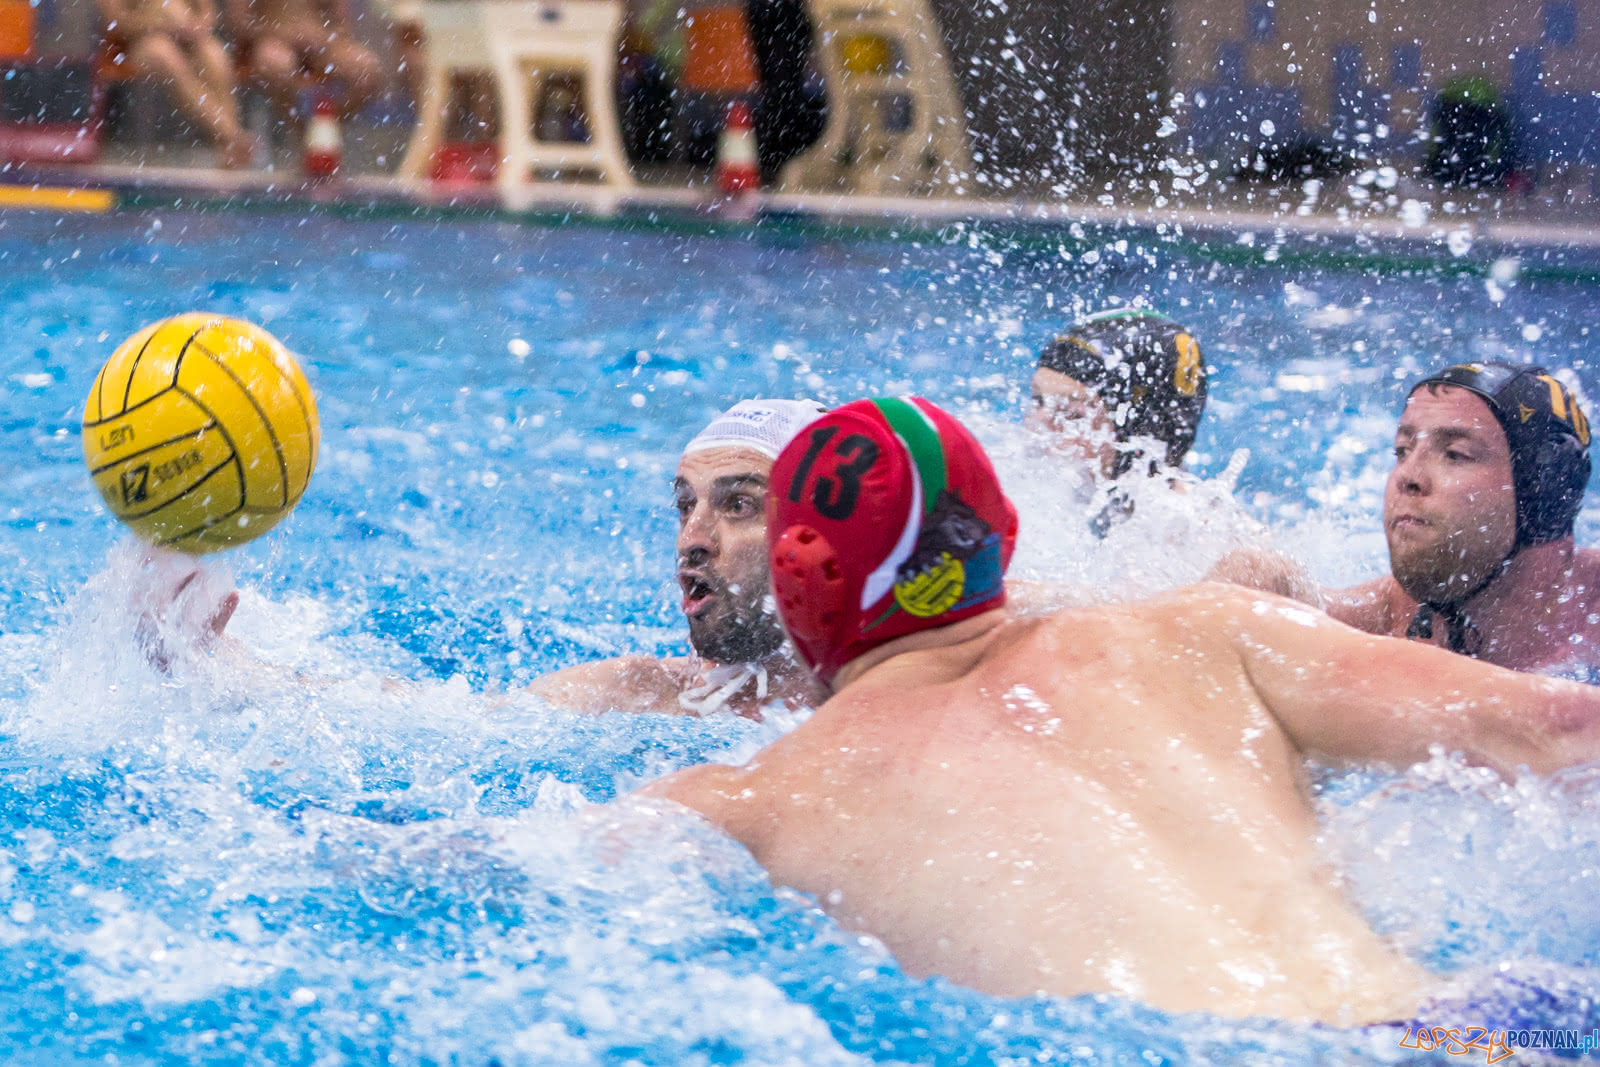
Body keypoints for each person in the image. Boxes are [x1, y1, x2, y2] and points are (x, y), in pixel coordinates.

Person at [639, 396, 1600, 1023]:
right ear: (997, 538)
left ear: (801, 579)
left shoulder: (746, 802)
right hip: (1455, 1027)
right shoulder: (1205, 629)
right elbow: (1563, 728)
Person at [1217, 361, 1600, 677]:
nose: (1407, 477)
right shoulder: (1382, 621)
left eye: (1455, 454)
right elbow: (1278, 597)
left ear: (1541, 490)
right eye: (1402, 451)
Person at [525, 399, 829, 719]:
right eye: (686, 505)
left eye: (739, 505)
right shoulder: (609, 701)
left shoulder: (874, 726)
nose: (689, 541)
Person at [1026, 309, 1208, 537]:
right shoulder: (1052, 497)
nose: (1038, 425)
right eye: (1038, 400)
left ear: (1139, 437)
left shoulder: (1195, 536)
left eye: (1072, 415)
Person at [96, 0, 254, 167]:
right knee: (164, 56)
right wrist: (158, 25)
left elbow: (208, 14)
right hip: (141, 41)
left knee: (214, 55)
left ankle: (228, 148)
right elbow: (116, 21)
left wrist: (194, 28)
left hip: (189, 37)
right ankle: (230, 135)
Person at [225, 0, 383, 128]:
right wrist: (280, 31)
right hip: (271, 40)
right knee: (276, 64)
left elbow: (342, 25)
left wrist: (324, 37)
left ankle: (325, 129)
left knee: (367, 69)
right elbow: (239, 22)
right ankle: (297, 128)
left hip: (322, 45)